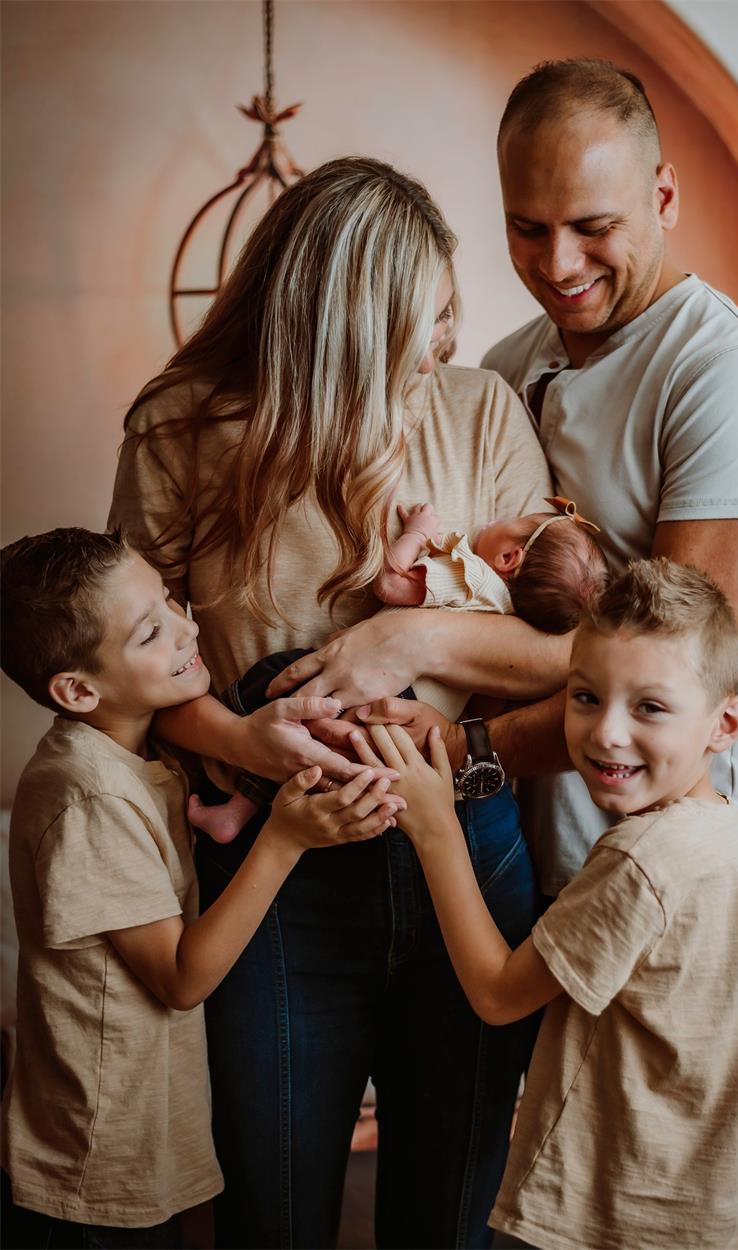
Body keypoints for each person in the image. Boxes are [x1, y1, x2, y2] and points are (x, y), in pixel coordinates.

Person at [266, 60, 738, 1246]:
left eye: (594, 225)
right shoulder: (514, 363)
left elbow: (672, 669)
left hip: (683, 881)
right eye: (528, 228)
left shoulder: (731, 380)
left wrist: (427, 674)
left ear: (665, 199)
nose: (560, 261)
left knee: (708, 1194)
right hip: (543, 862)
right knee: (577, 1191)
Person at [109, 157, 553, 1250]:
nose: (441, 345)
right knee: (274, 1213)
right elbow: (125, 677)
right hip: (275, 883)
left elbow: (561, 651)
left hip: (465, 851)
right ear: (342, 318)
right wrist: (241, 741)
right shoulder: (178, 430)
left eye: (449, 316)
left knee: (449, 1219)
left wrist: (404, 634)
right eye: (422, 320)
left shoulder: (477, 411)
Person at [358, 559, 738, 1250]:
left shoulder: (640, 861)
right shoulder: (729, 836)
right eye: (586, 697)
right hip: (717, 1214)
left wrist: (434, 824)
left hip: (625, 1220)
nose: (607, 732)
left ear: (724, 723)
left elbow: (496, 993)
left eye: (649, 707)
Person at [0, 528, 396, 1250]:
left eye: (169, 599)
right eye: (152, 631)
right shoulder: (86, 795)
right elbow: (180, 979)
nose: (188, 626)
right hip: (93, 1161)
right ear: (79, 689)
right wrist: (284, 839)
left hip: (139, 1137)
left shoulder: (136, 751)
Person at [190, 495, 607, 847]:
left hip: (374, 689)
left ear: (508, 557)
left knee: (278, 686)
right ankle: (237, 813)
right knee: (304, 746)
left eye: (513, 521)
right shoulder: (508, 620)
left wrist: (416, 533)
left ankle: (230, 781)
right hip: (406, 725)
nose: (496, 517)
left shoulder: (471, 576)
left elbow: (390, 584)